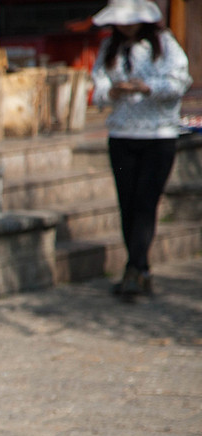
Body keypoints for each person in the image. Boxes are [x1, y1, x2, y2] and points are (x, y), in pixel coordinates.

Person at [90, 0, 192, 297]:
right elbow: (97, 90)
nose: (126, 26)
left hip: (158, 136)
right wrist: (114, 91)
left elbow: (179, 82)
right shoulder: (110, 48)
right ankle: (140, 268)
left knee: (146, 203)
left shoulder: (165, 45)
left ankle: (134, 269)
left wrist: (147, 87)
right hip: (122, 135)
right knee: (128, 204)